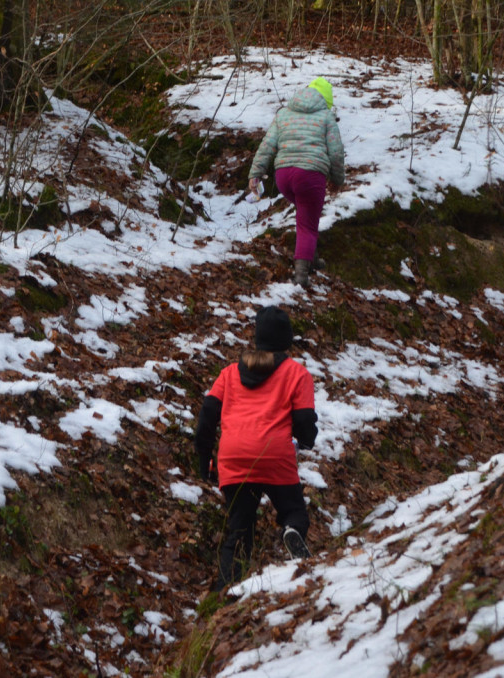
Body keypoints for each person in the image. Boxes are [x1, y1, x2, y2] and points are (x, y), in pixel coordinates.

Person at [194, 305, 318, 593]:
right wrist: (307, 440)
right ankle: (291, 531)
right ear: (287, 339)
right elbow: (304, 419)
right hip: (274, 454)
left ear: (257, 337)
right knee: (293, 510)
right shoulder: (297, 374)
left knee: (238, 530)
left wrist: (204, 459)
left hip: (234, 456)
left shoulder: (228, 373)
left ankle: (227, 594)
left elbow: (207, 416)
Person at [248, 77, 346, 288]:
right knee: (308, 223)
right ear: (326, 101)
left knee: (305, 215)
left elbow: (267, 145)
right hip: (310, 175)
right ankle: (301, 274)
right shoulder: (326, 117)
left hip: (283, 176)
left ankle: (311, 255)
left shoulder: (284, 113)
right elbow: (336, 153)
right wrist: (338, 179)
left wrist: (255, 173)